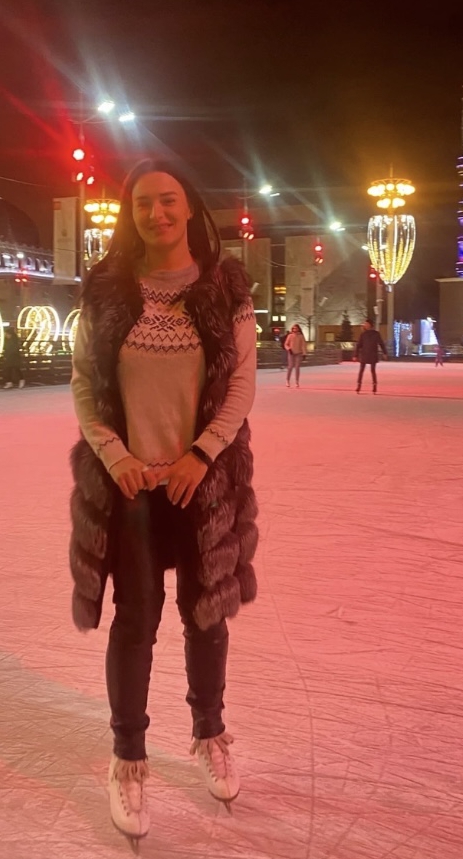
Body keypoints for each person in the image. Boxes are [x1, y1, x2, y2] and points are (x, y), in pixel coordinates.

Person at [69, 159, 259, 840]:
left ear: (190, 206)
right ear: (131, 213)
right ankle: (128, 757)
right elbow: (85, 384)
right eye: (144, 202)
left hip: (201, 483)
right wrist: (114, 455)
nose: (157, 213)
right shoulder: (108, 290)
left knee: (207, 617)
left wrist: (201, 454)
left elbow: (240, 386)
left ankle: (210, 732)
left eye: (169, 199)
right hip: (132, 488)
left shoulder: (224, 288)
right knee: (135, 620)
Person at [353, 318, 388, 393]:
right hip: (364, 354)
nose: (365, 325)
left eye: (366, 323)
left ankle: (374, 386)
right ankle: (359, 385)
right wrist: (355, 355)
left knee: (372, 370)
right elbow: (358, 345)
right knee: (361, 370)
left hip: (372, 354)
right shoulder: (363, 334)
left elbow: (381, 343)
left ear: (369, 325)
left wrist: (385, 353)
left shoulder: (376, 334)